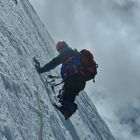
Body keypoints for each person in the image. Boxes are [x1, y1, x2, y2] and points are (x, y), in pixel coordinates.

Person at [35, 41, 86, 119]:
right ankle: (67, 111)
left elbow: (53, 63)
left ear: (63, 47)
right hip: (78, 80)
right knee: (67, 95)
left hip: (75, 79)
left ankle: (68, 110)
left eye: (59, 49)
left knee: (67, 97)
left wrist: (41, 70)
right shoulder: (73, 54)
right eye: (58, 50)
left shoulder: (67, 53)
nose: (59, 51)